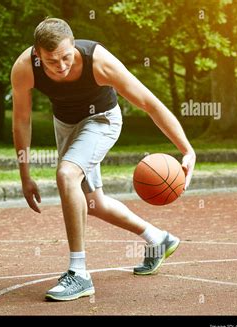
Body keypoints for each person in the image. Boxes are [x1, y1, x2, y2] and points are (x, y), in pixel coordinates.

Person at [11, 18, 196, 301]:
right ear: (37, 54)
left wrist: (187, 150)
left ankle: (79, 273)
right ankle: (158, 239)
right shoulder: (25, 68)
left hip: (102, 119)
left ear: (74, 45)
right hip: (66, 124)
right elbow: (22, 119)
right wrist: (25, 176)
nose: (60, 66)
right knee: (93, 203)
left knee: (66, 174)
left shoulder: (99, 61)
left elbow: (149, 102)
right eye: (51, 61)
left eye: (66, 57)